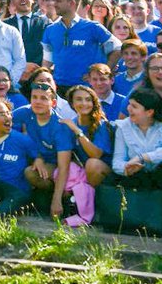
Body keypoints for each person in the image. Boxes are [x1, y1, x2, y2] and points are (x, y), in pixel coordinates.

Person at [112, 88, 162, 226]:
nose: (129, 109)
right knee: (121, 177)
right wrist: (127, 168)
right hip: (139, 178)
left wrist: (145, 156)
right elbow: (117, 161)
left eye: (134, 106)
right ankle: (134, 221)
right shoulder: (123, 126)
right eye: (129, 104)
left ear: (149, 112)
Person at [42, 0, 121, 95]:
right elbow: (47, 59)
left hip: (87, 89)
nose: (54, 4)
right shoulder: (50, 29)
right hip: (59, 88)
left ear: (71, 3)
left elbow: (118, 49)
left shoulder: (93, 27)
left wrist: (103, 72)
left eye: (58, 1)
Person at [12, 82, 74, 219]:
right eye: (34, 97)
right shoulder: (26, 112)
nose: (38, 102)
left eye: (43, 98)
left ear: (53, 103)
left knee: (30, 173)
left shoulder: (60, 126)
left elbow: (64, 166)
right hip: (34, 157)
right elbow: (1, 121)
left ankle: (53, 195)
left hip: (54, 164)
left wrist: (56, 201)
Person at [58, 84, 111, 222]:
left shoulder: (101, 124)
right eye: (79, 99)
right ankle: (74, 206)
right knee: (61, 171)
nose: (84, 103)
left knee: (92, 164)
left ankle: (93, 207)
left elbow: (96, 155)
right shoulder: (72, 123)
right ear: (72, 103)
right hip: (82, 171)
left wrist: (78, 131)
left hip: (103, 171)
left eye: (88, 100)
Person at [3, 0, 47, 84]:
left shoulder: (45, 23)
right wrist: (22, 66)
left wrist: (33, 69)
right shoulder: (4, 26)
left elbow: (48, 49)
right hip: (13, 77)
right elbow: (3, 51)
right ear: (13, 2)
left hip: (38, 75)